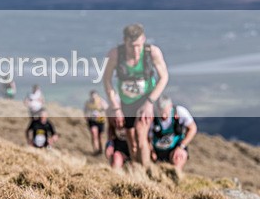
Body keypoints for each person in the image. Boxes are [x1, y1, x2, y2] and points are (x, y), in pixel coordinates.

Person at [102, 23, 169, 168]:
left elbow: (164, 77)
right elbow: (106, 79)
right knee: (131, 141)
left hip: (146, 99)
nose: (136, 50)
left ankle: (145, 172)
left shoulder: (152, 52)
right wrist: (115, 106)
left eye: (139, 45)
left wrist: (150, 102)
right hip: (126, 102)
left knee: (140, 135)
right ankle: (136, 169)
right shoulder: (115, 54)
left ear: (144, 39)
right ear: (124, 41)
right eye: (132, 46)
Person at [150, 95, 197, 177]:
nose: (164, 116)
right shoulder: (151, 116)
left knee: (179, 156)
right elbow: (146, 137)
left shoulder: (180, 112)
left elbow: (193, 128)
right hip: (157, 150)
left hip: (175, 148)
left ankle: (176, 178)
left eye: (166, 112)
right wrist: (151, 150)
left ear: (170, 107)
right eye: (161, 112)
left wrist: (181, 146)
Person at [83, 90, 108, 156]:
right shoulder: (88, 103)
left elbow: (107, 109)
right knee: (94, 134)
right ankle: (95, 150)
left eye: (95, 96)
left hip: (101, 120)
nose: (93, 97)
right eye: (92, 96)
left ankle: (101, 149)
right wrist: (87, 116)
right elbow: (85, 111)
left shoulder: (102, 101)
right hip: (92, 120)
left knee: (100, 136)